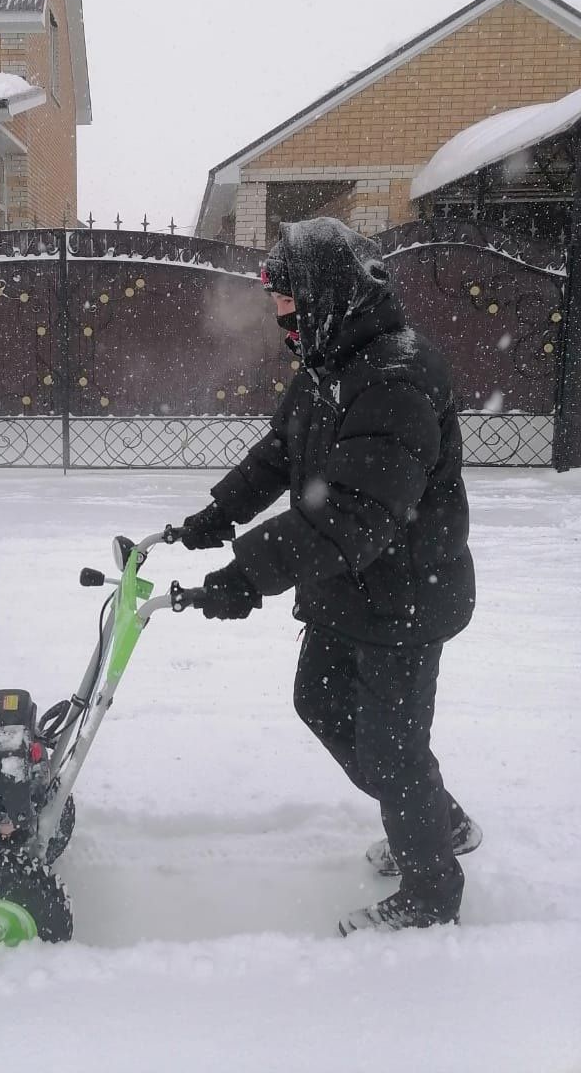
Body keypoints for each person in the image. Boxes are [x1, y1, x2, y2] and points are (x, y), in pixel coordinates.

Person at [179, 216, 480, 934]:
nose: (280, 316)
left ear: (327, 295)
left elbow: (354, 513)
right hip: (346, 587)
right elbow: (283, 451)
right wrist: (219, 514)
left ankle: (431, 892)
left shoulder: (397, 379)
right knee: (319, 702)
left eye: (289, 301)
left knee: (391, 746)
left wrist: (246, 575)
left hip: (404, 597)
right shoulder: (331, 362)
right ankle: (439, 820)